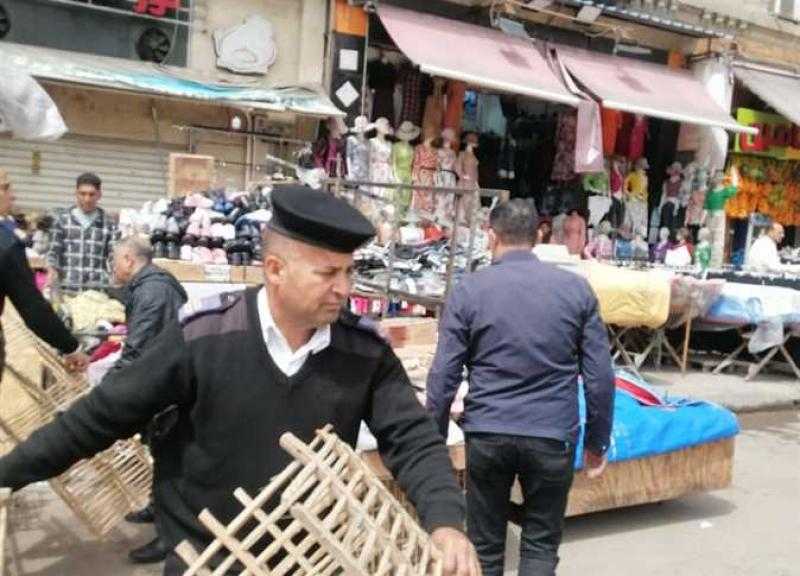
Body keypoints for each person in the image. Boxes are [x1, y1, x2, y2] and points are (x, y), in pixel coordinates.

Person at [0, 185, 480, 576]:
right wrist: (7, 475)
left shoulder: (364, 353)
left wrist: (445, 522)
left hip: (311, 561)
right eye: (329, 273)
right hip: (206, 559)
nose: (345, 288)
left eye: (350, 272)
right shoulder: (203, 337)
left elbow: (414, 440)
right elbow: (98, 417)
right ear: (275, 269)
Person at [427, 199, 615, 576]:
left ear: (491, 237)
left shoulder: (470, 290)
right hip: (551, 435)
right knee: (540, 546)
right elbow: (600, 378)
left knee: (485, 547)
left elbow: (444, 374)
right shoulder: (575, 290)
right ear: (539, 236)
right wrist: (597, 443)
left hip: (488, 433)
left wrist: (432, 443)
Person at [109, 235, 188, 565]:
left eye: (115, 260)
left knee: (171, 462)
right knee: (161, 453)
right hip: (163, 382)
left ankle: (169, 538)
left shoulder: (153, 290)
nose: (113, 267)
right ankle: (157, 510)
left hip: (168, 387)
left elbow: (138, 345)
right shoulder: (152, 285)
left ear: (129, 259)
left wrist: (109, 388)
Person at [0, 169, 89, 375]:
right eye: (6, 189)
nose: (12, 196)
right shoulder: (6, 246)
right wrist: (71, 347)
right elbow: (32, 308)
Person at [46, 172, 117, 292]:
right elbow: (53, 253)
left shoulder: (108, 223)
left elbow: (114, 256)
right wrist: (51, 271)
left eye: (91, 194)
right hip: (68, 289)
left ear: (99, 195)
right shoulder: (62, 220)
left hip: (97, 291)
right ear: (76, 193)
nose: (87, 199)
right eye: (82, 194)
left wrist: (115, 275)